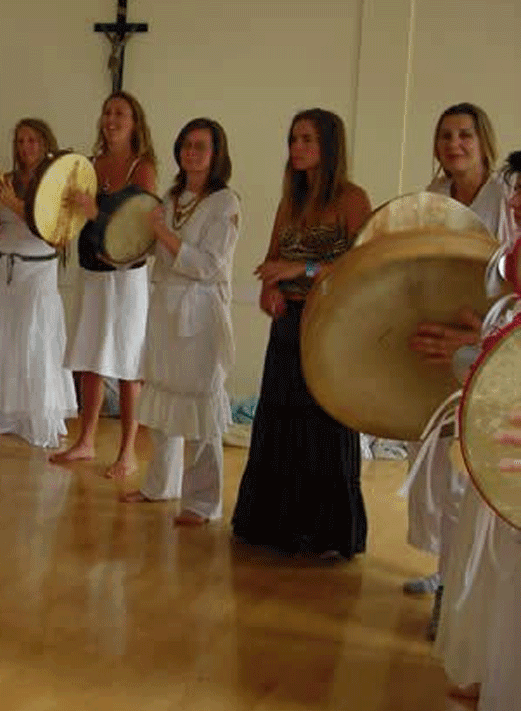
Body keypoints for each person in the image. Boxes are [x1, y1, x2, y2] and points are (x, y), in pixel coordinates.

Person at [231, 108, 372, 558]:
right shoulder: (290, 200)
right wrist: (270, 286)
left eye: (307, 139)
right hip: (288, 324)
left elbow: (360, 266)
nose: (297, 147)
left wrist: (300, 268)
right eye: (293, 138)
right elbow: (272, 258)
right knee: (281, 420)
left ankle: (326, 532)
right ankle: (276, 525)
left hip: (330, 325)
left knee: (323, 425)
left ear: (328, 146)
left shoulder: (352, 199)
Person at [402, 103, 514, 614]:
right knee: (428, 460)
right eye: (446, 135)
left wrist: (486, 330)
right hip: (436, 335)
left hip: (488, 342)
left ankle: (459, 594)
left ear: (482, 141)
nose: (455, 144)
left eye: (465, 135)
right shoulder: (432, 200)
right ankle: (446, 570)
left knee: (468, 469)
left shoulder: (506, 199)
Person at [124, 118, 239, 525]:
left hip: (201, 312)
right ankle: (160, 485)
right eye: (186, 144)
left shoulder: (225, 202)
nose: (192, 152)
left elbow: (208, 264)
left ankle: (202, 502)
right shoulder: (172, 198)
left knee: (200, 407)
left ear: (215, 153)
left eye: (200, 146)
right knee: (163, 398)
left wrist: (162, 233)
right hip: (165, 308)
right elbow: (156, 246)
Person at [53, 90, 157, 478]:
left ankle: (128, 452)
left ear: (134, 123)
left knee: (129, 364)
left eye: (120, 114)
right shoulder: (90, 164)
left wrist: (97, 210)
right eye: (107, 112)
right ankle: (86, 441)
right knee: (90, 359)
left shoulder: (141, 168)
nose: (111, 119)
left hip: (126, 279)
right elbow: (72, 215)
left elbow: (142, 221)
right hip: (92, 272)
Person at [0, 118, 76, 448]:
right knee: (2, 338)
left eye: (32, 141)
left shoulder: (58, 184)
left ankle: (38, 417)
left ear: (45, 144)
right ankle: (4, 414)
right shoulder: (3, 180)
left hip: (38, 272)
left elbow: (57, 237)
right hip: (3, 267)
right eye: (20, 141)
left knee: (36, 340)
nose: (25, 147)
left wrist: (16, 205)